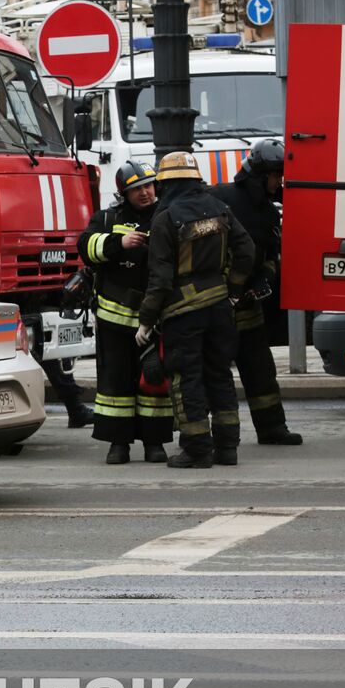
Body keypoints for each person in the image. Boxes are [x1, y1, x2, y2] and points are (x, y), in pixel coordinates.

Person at [138, 151, 256, 469]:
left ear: (167, 184)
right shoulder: (220, 209)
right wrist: (233, 290)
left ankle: (197, 449)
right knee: (219, 374)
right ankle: (228, 447)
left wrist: (146, 320)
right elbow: (246, 251)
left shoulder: (166, 218)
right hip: (220, 309)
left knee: (186, 379)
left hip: (183, 312)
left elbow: (160, 278)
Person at [77, 160, 171, 464]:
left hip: (155, 319)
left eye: (148, 185)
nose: (144, 193)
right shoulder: (108, 218)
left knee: (153, 382)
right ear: (124, 193)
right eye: (136, 189)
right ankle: (118, 444)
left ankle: (154, 443)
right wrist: (120, 242)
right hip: (114, 320)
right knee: (115, 385)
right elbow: (85, 246)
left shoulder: (166, 215)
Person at [210, 138, 303, 445]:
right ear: (260, 175)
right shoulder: (220, 198)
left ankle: (272, 428)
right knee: (212, 372)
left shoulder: (268, 212)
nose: (280, 181)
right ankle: (208, 434)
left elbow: (269, 256)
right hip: (217, 306)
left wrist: (266, 276)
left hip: (248, 306)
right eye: (276, 175)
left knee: (261, 370)